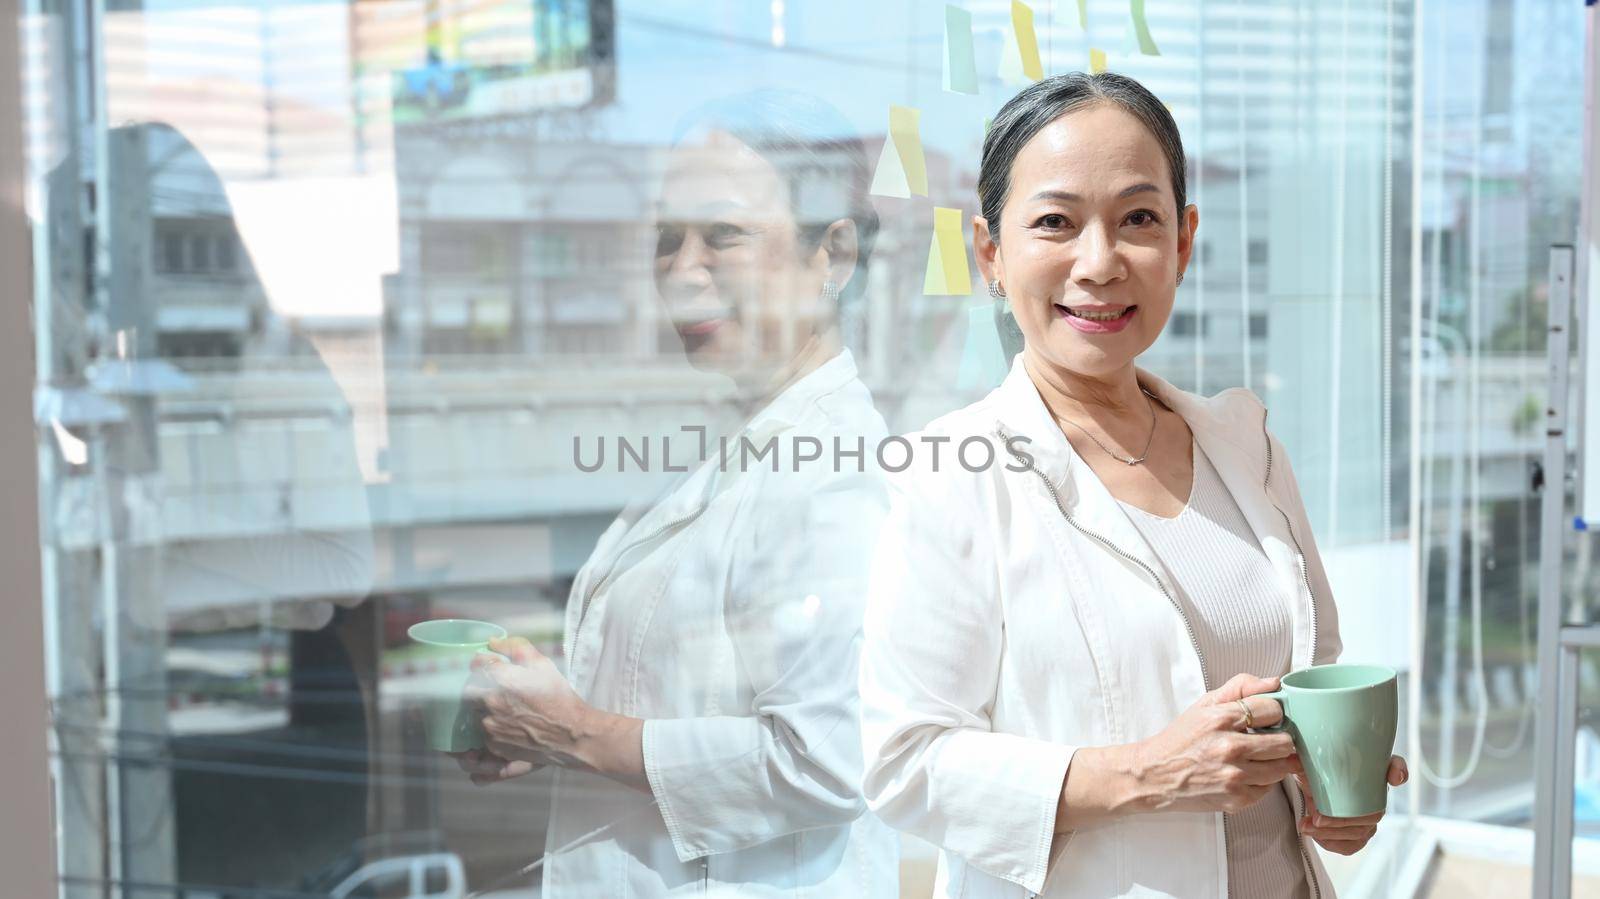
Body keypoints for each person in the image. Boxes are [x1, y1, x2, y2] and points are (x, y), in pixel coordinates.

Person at [858, 73, 1408, 898]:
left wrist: (1333, 791)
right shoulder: (950, 475)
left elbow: (1312, 669)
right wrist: (1153, 772)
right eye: (1054, 222)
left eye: (1138, 219)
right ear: (990, 254)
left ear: (1183, 243)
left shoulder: (1246, 444)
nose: (1100, 261)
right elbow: (904, 760)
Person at [452, 90, 898, 896]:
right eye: (666, 239)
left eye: (721, 235)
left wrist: (574, 730)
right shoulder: (718, 444)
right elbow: (689, 690)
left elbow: (826, 760)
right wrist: (540, 719)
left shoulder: (837, 471)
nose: (681, 271)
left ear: (831, 255)